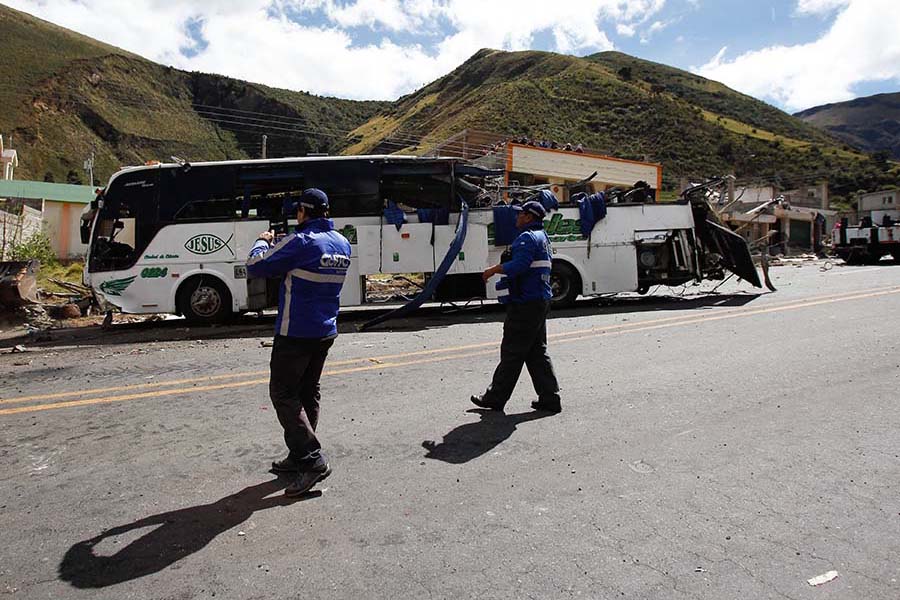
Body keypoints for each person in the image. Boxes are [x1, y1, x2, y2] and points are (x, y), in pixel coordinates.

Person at [247, 188, 351, 497]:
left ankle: (311, 459)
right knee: (307, 391)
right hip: (325, 331)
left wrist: (262, 241)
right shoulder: (342, 243)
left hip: (295, 333)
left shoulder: (302, 241)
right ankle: (298, 456)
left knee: (282, 393)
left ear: (302, 213)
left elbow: (256, 265)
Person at [471, 200, 562, 413]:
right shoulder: (543, 237)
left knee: (512, 351)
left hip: (525, 303)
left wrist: (493, 269)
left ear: (529, 217)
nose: (517, 217)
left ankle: (495, 397)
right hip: (539, 300)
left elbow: (520, 266)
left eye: (520, 214)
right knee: (536, 352)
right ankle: (550, 398)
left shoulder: (527, 238)